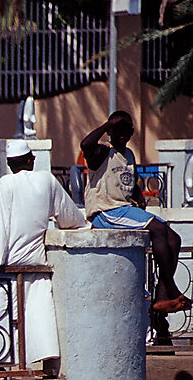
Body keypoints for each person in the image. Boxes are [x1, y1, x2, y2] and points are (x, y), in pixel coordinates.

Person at [0, 140, 88, 374]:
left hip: (7, 264)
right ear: (29, 160)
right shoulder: (46, 180)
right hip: (35, 263)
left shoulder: (6, 183)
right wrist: (86, 224)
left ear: (8, 164)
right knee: (38, 313)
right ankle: (44, 366)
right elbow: (69, 217)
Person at [81, 110, 189, 314]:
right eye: (117, 129)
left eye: (126, 129)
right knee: (157, 229)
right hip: (106, 211)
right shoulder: (103, 152)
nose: (122, 133)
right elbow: (86, 145)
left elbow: (129, 178)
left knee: (173, 237)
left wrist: (138, 195)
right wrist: (108, 124)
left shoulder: (129, 154)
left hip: (124, 209)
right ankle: (171, 286)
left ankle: (162, 295)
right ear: (110, 131)